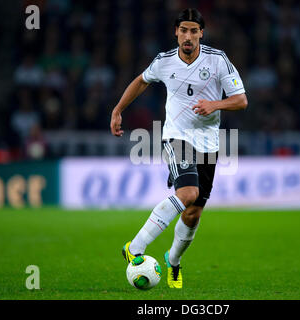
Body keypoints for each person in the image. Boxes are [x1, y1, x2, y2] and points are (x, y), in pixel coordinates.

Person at [110, 8, 247, 289]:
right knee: (187, 193)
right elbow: (141, 81)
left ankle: (172, 261)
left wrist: (215, 104)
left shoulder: (218, 60)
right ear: (176, 32)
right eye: (183, 30)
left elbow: (241, 100)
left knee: (193, 213)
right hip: (176, 136)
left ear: (201, 34)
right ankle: (133, 248)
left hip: (209, 143)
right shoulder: (164, 61)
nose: (188, 36)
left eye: (193, 31)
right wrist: (118, 110)